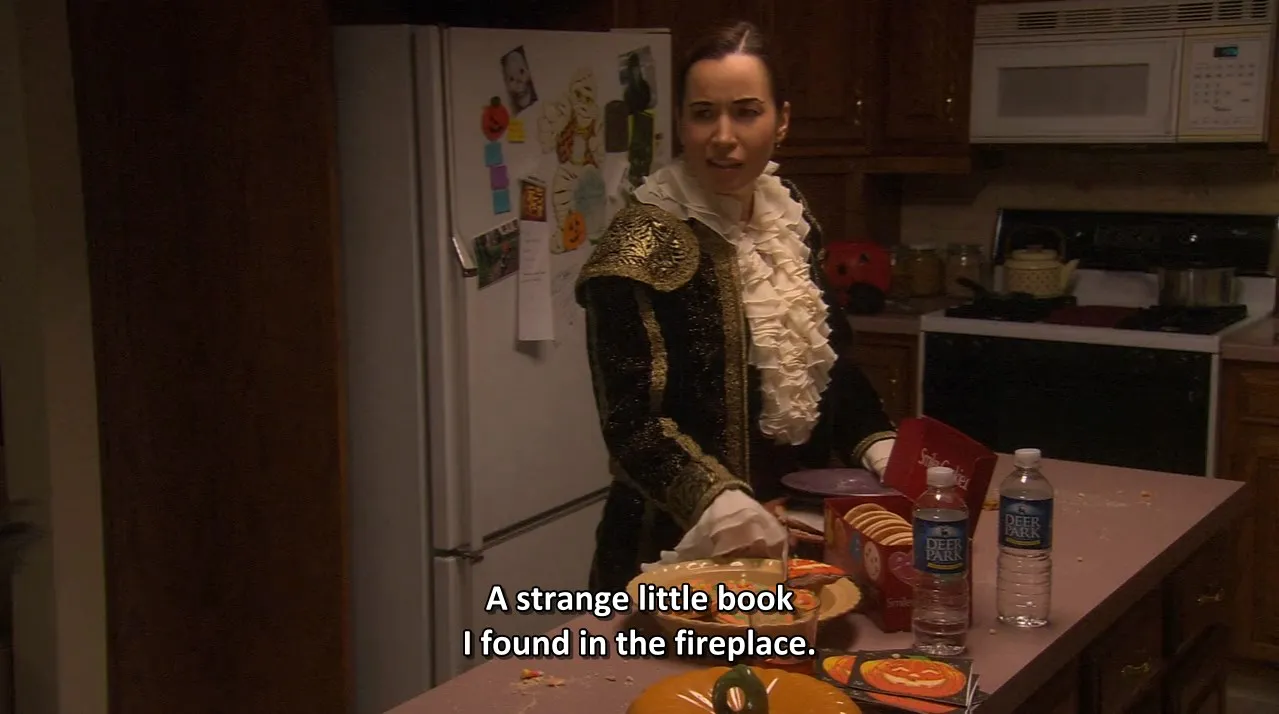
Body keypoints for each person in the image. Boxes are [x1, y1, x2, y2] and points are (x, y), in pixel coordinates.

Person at [575, 20, 897, 593]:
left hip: (795, 536)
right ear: (682, 122)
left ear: (782, 121)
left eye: (746, 112)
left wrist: (879, 445)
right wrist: (719, 502)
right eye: (704, 114)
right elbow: (631, 424)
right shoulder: (639, 244)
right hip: (672, 550)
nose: (723, 136)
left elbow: (830, 367)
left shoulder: (789, 215)